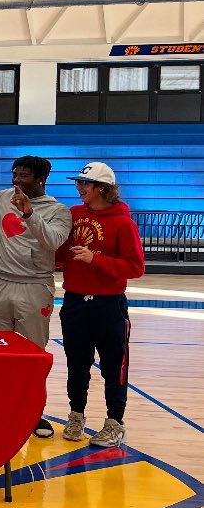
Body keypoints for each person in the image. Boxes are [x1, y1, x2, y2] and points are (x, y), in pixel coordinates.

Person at [0, 156, 72, 438]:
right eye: (15, 174)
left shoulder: (58, 210)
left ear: (41, 179)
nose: (17, 180)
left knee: (32, 355)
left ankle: (33, 413)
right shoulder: (1, 198)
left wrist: (30, 214)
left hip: (34, 286)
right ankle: (0, 408)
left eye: (24, 175)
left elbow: (53, 241)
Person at [56, 162, 145, 448]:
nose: (79, 187)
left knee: (113, 367)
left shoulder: (123, 223)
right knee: (76, 364)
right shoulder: (74, 214)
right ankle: (76, 416)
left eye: (85, 183)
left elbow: (135, 267)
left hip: (108, 305)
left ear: (103, 189)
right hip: (74, 302)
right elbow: (60, 253)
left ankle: (115, 423)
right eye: (78, 182)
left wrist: (95, 260)